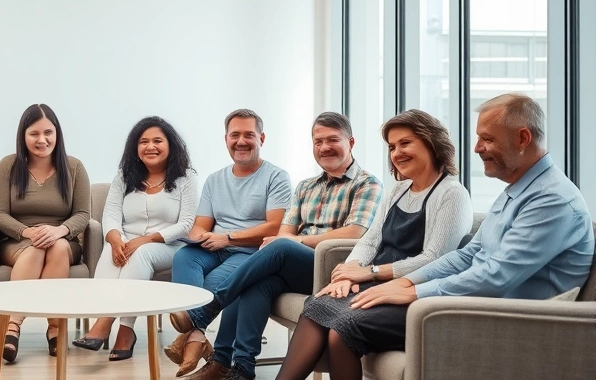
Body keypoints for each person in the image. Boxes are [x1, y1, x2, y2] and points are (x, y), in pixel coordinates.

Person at [329, 94, 595, 380]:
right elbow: (469, 254)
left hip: (513, 322)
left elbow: (497, 276)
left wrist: (414, 292)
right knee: (339, 313)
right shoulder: (517, 191)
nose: (477, 148)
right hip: (478, 304)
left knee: (347, 326)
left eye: (487, 139)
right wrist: (408, 281)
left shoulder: (552, 200)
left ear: (523, 138)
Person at [172, 111, 383, 380]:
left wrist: (294, 241)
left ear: (351, 143)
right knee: (257, 282)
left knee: (281, 247)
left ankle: (205, 312)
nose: (324, 147)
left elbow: (354, 233)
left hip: (334, 269)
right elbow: (285, 229)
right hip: (298, 266)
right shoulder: (307, 186)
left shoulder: (367, 184)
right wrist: (289, 240)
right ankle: (240, 367)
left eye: (333, 140)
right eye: (318, 141)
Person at [276, 109, 473, 380]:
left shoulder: (452, 194)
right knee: (316, 306)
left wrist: (369, 273)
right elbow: (370, 241)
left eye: (405, 143)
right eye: (392, 147)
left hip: (414, 293)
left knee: (342, 329)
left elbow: (434, 260)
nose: (397, 153)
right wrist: (349, 270)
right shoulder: (398, 190)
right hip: (378, 283)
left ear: (431, 143)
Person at [73, 116, 198, 361]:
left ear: (170, 145)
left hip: (169, 246)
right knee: (113, 252)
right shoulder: (124, 176)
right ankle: (113, 327)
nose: (150, 146)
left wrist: (144, 240)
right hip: (127, 241)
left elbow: (186, 225)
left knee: (138, 253)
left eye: (157, 141)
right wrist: (115, 240)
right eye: (144, 142)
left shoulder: (186, 178)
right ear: (136, 148)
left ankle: (116, 327)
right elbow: (109, 214)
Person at [0, 103, 91, 362]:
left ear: (57, 134)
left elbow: (83, 214)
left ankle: (54, 327)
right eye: (34, 133)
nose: (42, 140)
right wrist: (27, 232)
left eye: (48, 132)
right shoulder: (8, 166)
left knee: (55, 247)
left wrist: (59, 231)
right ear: (23, 136)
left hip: (63, 241)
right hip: (17, 241)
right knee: (36, 249)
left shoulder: (74, 167)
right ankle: (13, 325)